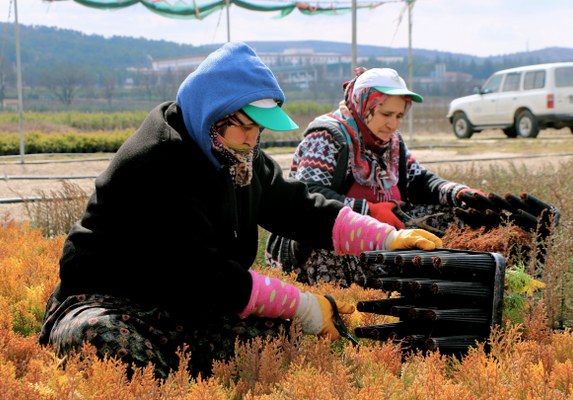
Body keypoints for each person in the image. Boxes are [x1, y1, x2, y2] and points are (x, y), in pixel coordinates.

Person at [38, 43, 442, 380]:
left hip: (184, 303)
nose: (252, 140)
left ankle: (185, 373)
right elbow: (205, 274)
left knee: (276, 338)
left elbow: (299, 207)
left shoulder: (235, 154)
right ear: (213, 113)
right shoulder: (157, 162)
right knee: (101, 340)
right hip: (108, 300)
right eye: (244, 127)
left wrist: (387, 237)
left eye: (258, 130)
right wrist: (303, 304)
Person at [266, 66, 486, 287]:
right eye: (386, 114)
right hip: (324, 238)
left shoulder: (392, 142)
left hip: (382, 232)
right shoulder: (327, 137)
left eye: (399, 115)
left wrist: (459, 193)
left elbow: (420, 181)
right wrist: (368, 210)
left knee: (455, 213)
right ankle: (356, 294)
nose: (393, 123)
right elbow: (309, 196)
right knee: (332, 242)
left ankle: (443, 279)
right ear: (364, 106)